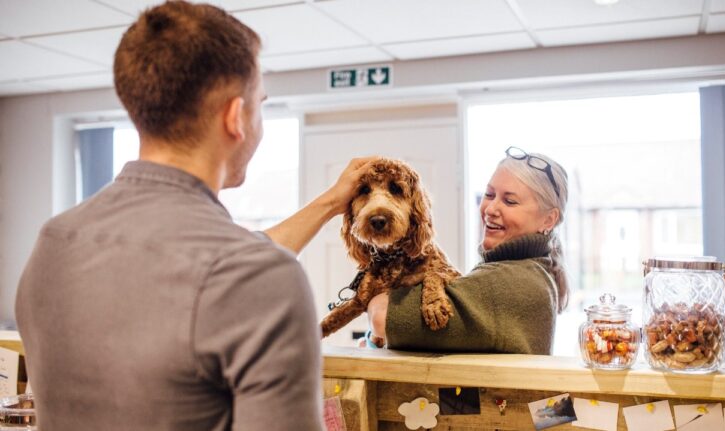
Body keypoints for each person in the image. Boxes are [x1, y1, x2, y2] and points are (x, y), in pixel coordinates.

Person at [15, 2, 374, 430]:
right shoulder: (258, 277)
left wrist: (332, 202)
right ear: (235, 116)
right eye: (260, 104)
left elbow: (213, 267)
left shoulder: (54, 243)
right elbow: (234, 272)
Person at [365, 146, 569, 354]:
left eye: (509, 201)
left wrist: (374, 298)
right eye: (489, 195)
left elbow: (382, 317)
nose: (490, 209)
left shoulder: (512, 282)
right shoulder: (529, 270)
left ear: (548, 219)